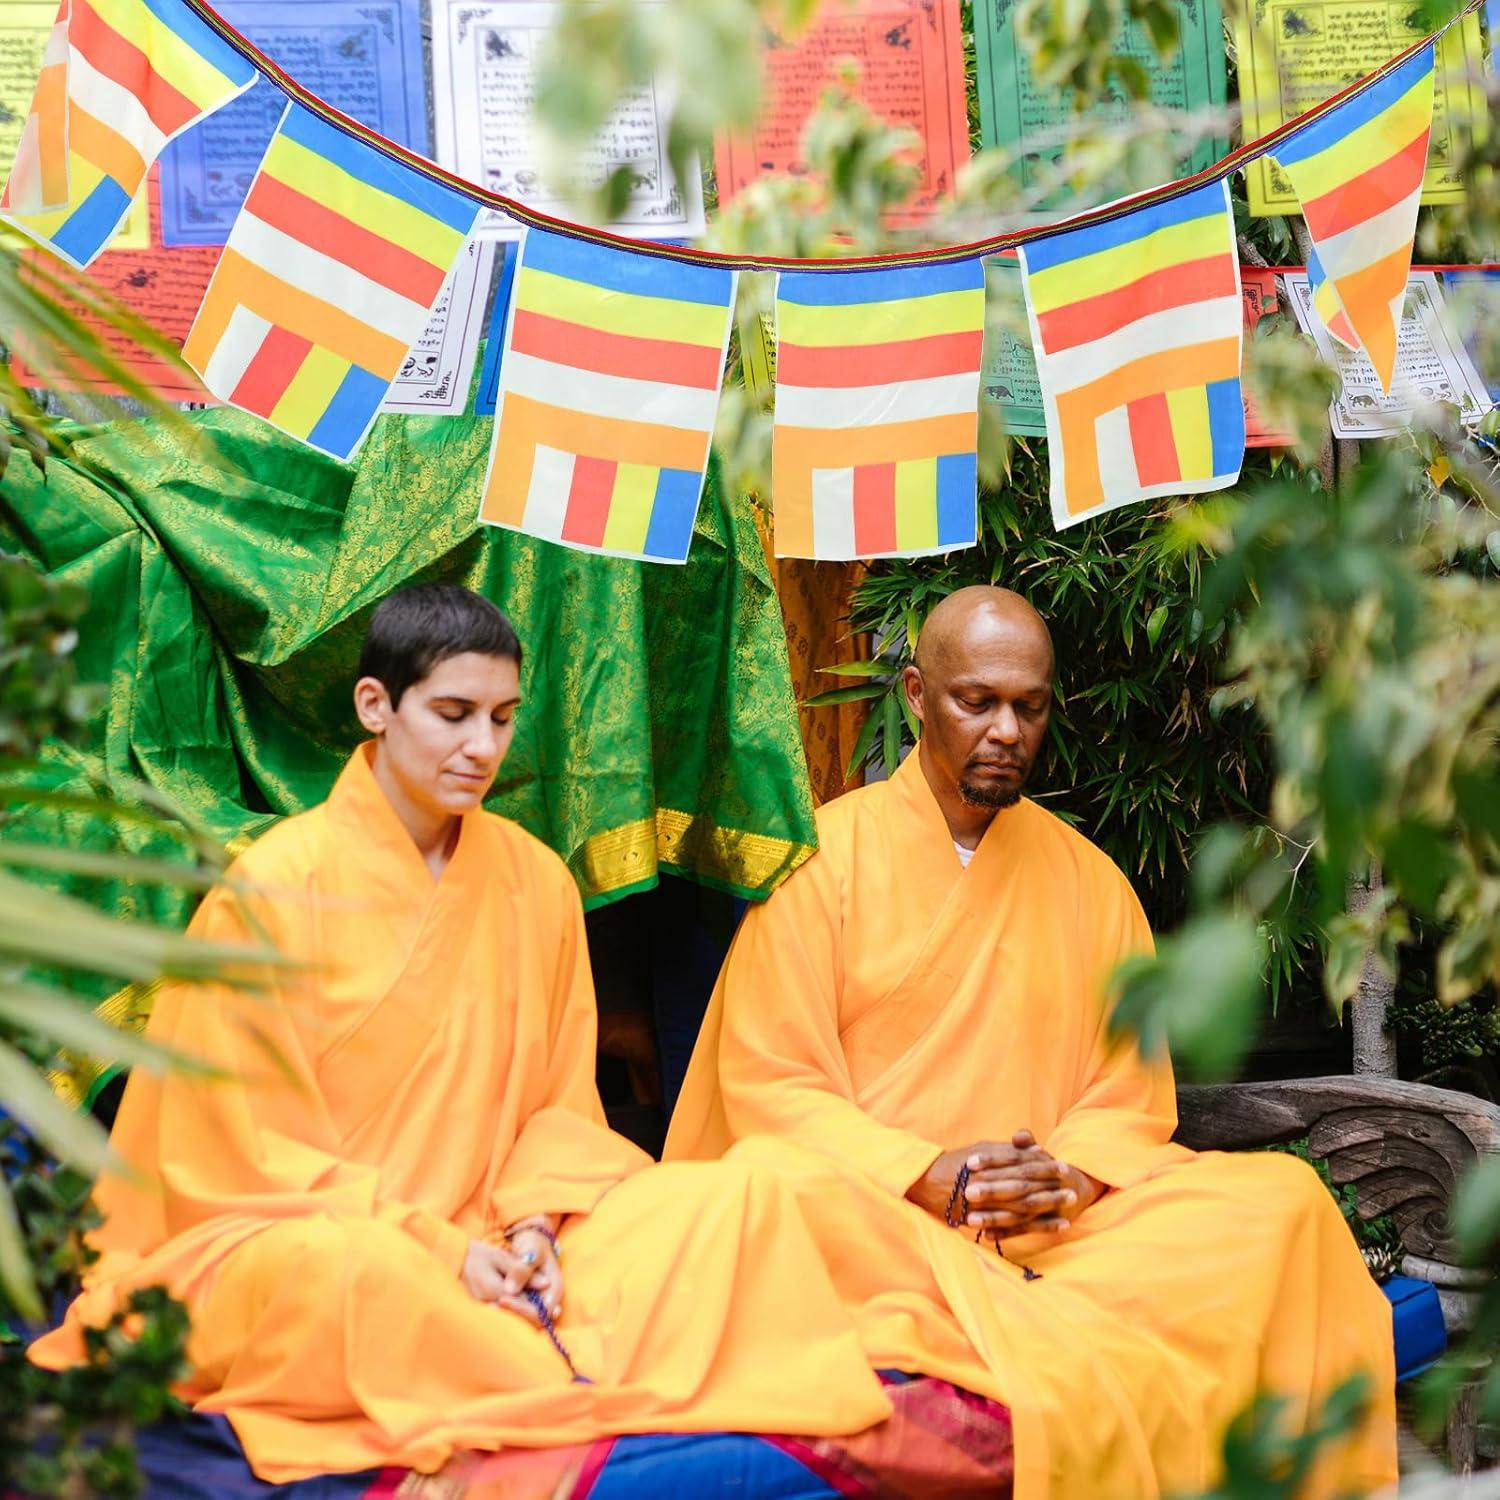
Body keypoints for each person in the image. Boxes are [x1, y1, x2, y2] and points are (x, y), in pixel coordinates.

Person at [32, 583, 890, 1482]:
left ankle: (524, 1344)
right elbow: (238, 1161)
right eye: (453, 714)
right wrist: (443, 1253)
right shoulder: (267, 896)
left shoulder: (536, 880)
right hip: (315, 1243)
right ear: (377, 706)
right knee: (351, 1278)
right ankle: (565, 1361)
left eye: (503, 718)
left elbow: (561, 1108)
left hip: (494, 1235)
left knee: (729, 1202)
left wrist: (532, 1231)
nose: (483, 747)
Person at [665, 585, 1398, 1499]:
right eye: (978, 701)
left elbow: (1126, 1096)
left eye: (1030, 706)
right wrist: (942, 1175)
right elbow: (774, 1087)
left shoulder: (1091, 882)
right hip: (883, 1221)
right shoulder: (821, 862)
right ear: (915, 695)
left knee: (1281, 1200)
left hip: (1055, 1231)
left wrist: (1066, 1177)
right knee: (766, 1189)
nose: (1006, 729)